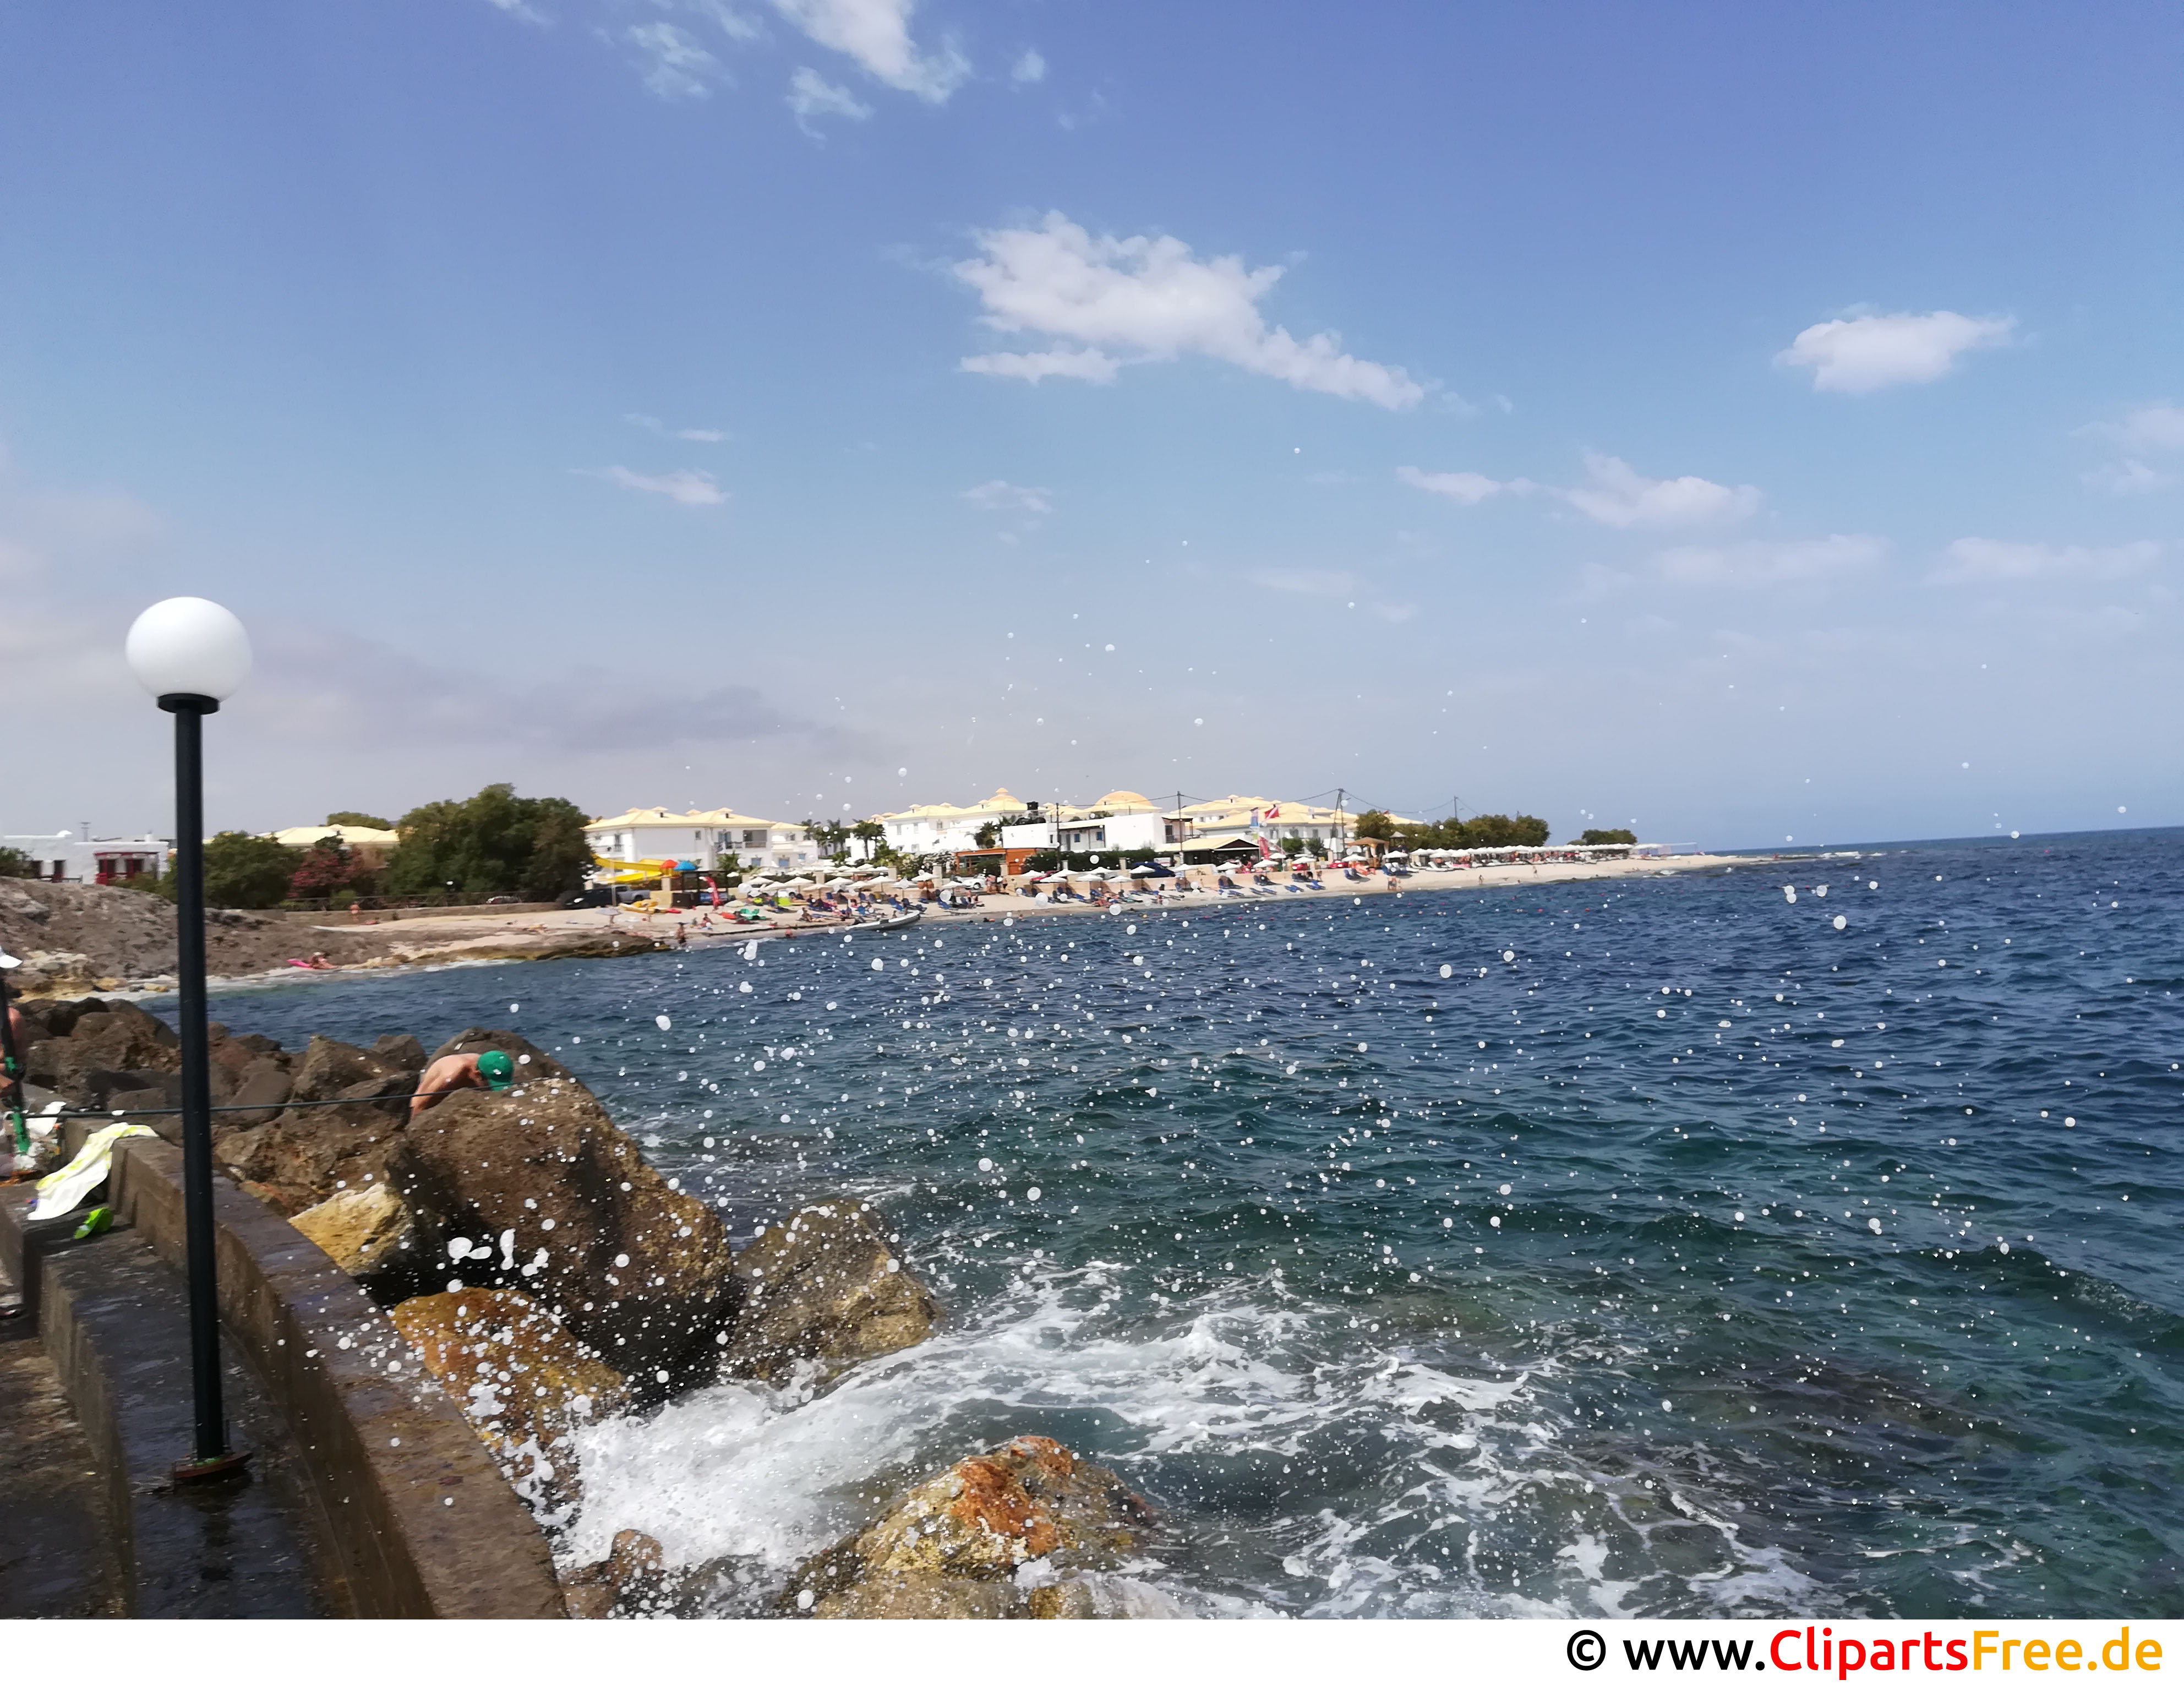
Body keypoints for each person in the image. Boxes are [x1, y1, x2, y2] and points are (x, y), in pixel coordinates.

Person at [410, 1048, 517, 1117]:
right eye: (489, 1084)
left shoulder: (489, 1063)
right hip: (434, 1094)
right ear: (477, 1074)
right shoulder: (450, 1076)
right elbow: (419, 1104)